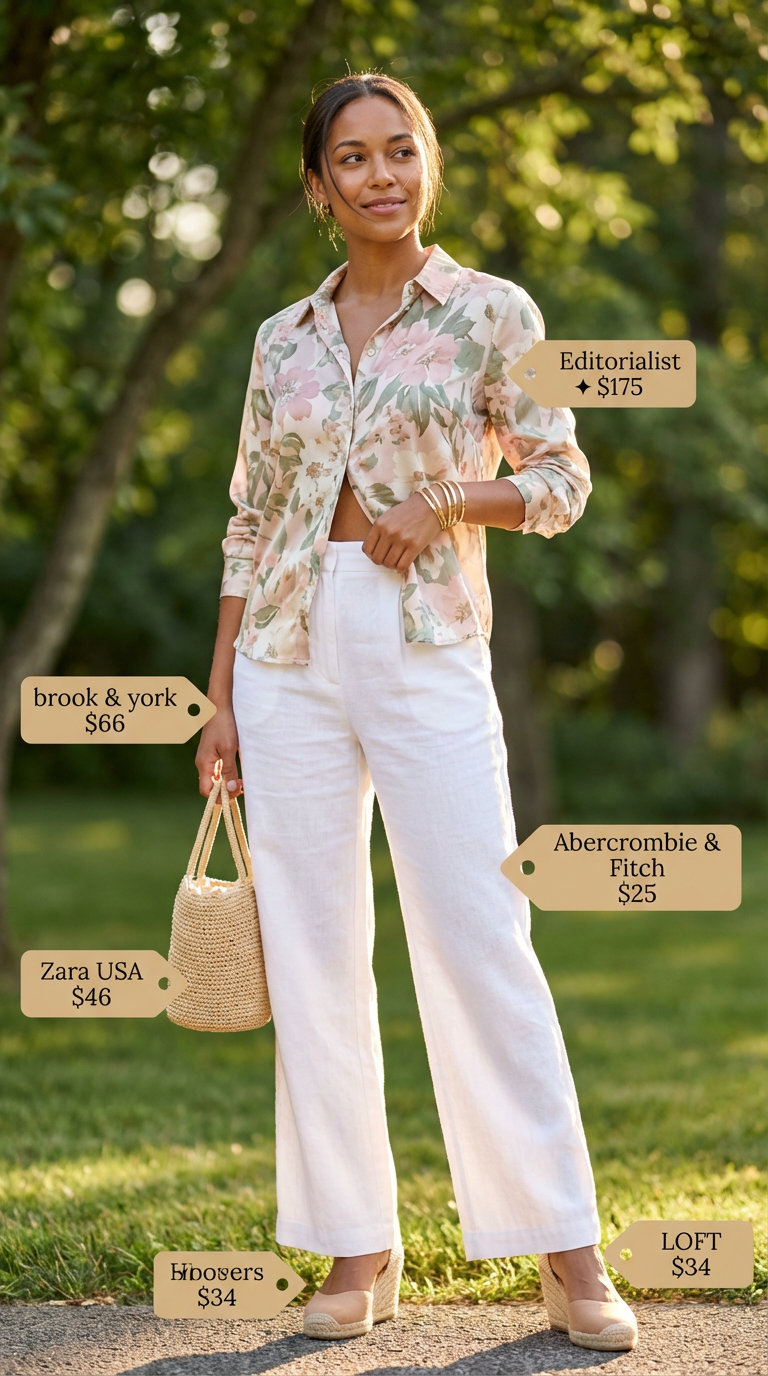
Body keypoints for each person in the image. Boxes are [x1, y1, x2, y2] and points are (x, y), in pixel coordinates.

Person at [195, 71, 639, 1352]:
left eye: (401, 150)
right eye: (353, 157)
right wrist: (219, 696)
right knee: (314, 950)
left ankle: (566, 1247)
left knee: (478, 933)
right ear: (317, 184)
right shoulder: (281, 338)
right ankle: (358, 1243)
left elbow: (561, 478)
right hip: (284, 652)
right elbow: (248, 519)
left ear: (426, 165)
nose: (381, 174)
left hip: (426, 638)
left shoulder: (493, 312)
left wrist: (446, 500)